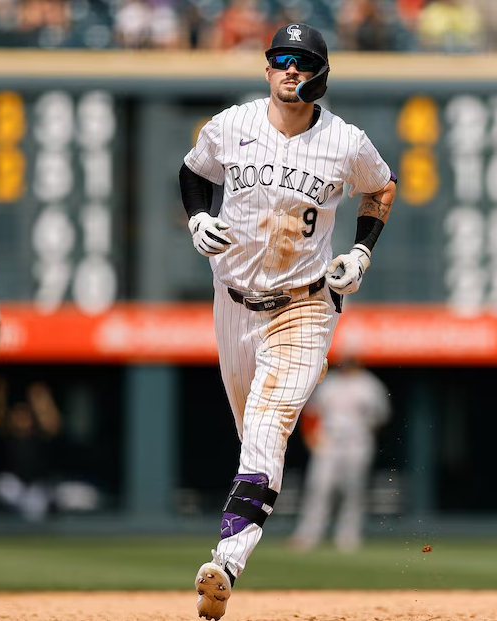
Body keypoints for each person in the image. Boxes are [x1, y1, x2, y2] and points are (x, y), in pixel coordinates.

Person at [179, 22, 397, 620]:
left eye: (302, 60)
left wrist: (360, 252)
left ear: (321, 73)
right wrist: (198, 218)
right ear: (266, 67)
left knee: (269, 424)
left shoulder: (346, 142)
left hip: (305, 304)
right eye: (280, 58)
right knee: (251, 436)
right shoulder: (231, 125)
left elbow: (381, 189)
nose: (289, 68)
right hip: (234, 302)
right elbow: (194, 172)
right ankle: (239, 535)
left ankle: (225, 563)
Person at [289, 359, 391, 552]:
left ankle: (348, 536)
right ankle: (308, 534)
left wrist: (365, 435)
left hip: (357, 441)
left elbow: (380, 417)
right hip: (330, 440)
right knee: (319, 487)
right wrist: (312, 438)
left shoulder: (370, 384)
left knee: (354, 490)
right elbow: (311, 412)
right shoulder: (329, 383)